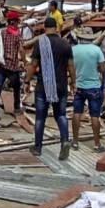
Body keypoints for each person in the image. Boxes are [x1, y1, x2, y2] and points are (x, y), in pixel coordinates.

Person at [24, 17, 75, 160]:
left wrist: (27, 80)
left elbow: (33, 65)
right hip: (61, 86)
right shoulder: (65, 44)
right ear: (56, 28)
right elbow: (71, 65)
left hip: (43, 86)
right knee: (61, 115)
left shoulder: (41, 43)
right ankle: (65, 140)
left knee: (40, 118)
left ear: (45, 28)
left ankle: (37, 147)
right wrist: (73, 83)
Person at [69, 26, 105, 152]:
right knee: (94, 116)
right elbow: (102, 69)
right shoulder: (96, 50)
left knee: (76, 113)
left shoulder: (73, 50)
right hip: (94, 86)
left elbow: (70, 67)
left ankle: (74, 142)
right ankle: (97, 144)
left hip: (79, 86)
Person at [0, 10, 26, 121]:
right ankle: (16, 108)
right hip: (12, 66)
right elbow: (21, 49)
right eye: (16, 22)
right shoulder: (17, 34)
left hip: (1, 65)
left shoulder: (3, 32)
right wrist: (24, 62)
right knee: (16, 87)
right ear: (14, 22)